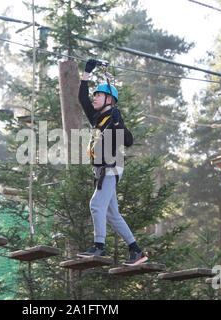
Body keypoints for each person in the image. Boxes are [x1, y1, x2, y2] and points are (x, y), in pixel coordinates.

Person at [77, 58, 148, 266]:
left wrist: (118, 122)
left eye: (98, 94)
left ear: (110, 99)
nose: (94, 97)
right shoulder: (97, 118)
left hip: (111, 167)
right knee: (111, 213)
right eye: (95, 94)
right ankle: (136, 251)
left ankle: (99, 246)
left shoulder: (113, 118)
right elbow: (82, 99)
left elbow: (128, 140)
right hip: (101, 170)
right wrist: (86, 74)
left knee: (96, 204)